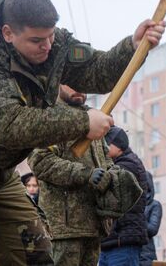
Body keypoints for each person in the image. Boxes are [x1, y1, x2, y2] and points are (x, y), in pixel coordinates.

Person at [0, 0, 166, 265]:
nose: (47, 46)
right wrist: (82, 122)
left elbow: (96, 71)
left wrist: (132, 47)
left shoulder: (53, 46)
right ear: (8, 33)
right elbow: (9, 126)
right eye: (36, 40)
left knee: (36, 254)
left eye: (51, 36)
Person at [28, 85, 115, 266]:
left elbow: (105, 160)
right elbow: (40, 160)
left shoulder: (93, 118)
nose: (79, 88)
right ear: (58, 83)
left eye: (82, 83)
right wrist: (84, 174)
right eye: (71, 82)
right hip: (63, 229)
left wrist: (114, 178)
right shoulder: (51, 116)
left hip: (93, 225)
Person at [99, 126, 149, 266]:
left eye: (107, 144)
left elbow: (109, 192)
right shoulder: (118, 164)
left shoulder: (128, 165)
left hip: (123, 240)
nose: (104, 149)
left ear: (119, 145)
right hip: (113, 240)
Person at [140, 172, 163, 266]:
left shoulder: (155, 205)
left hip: (146, 255)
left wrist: (136, 218)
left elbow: (152, 229)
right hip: (129, 252)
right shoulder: (130, 204)